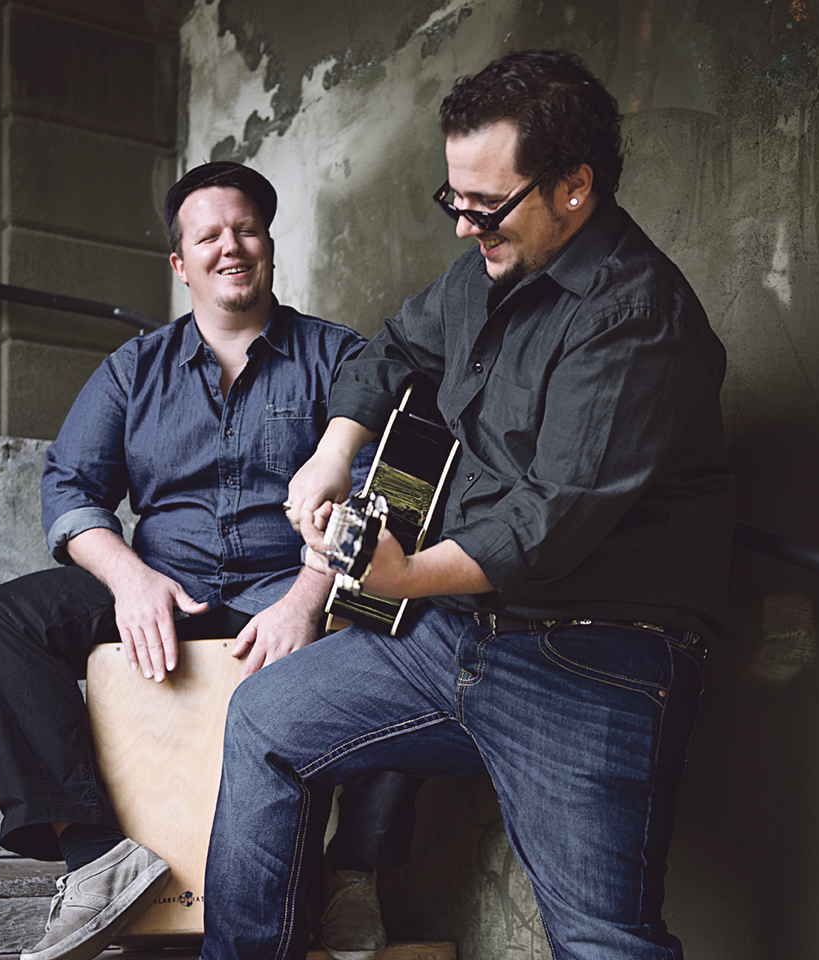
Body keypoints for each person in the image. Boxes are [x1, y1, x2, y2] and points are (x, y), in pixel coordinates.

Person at [197, 50, 736, 960]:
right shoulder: (484, 271)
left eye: (485, 206)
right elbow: (391, 352)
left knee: (605, 940)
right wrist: (334, 455)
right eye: (453, 201)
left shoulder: (640, 318)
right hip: (461, 630)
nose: (463, 228)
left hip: (595, 658)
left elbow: (548, 521)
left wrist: (403, 572)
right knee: (265, 719)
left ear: (574, 187)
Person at [0, 161, 419, 960]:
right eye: (208, 235)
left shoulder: (336, 356)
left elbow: (390, 492)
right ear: (181, 263)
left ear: (269, 245)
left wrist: (309, 598)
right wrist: (129, 579)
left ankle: (352, 875)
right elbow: (70, 485)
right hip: (168, 592)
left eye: (245, 229)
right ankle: (99, 860)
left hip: (293, 588)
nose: (230, 246)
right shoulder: (134, 368)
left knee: (404, 625)